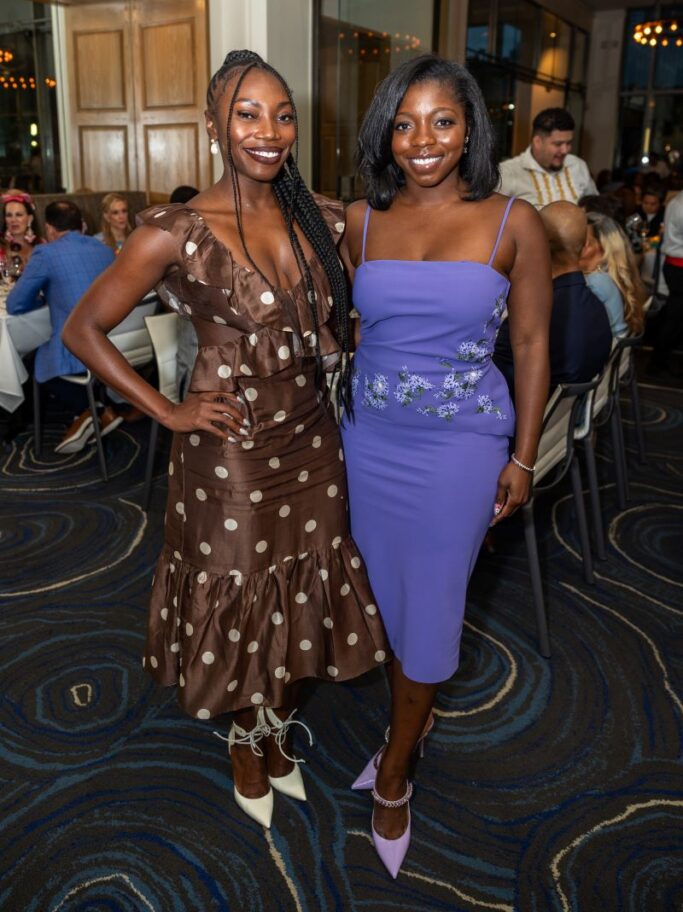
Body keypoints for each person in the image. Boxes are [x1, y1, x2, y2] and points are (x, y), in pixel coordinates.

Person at [63, 49, 387, 829]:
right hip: (230, 446)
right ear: (212, 124)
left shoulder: (322, 217)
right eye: (247, 114)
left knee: (301, 582)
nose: (268, 130)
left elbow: (352, 315)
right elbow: (83, 329)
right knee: (240, 590)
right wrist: (167, 411)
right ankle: (246, 738)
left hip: (313, 436)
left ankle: (276, 725)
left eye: (282, 115)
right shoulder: (174, 231)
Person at [339, 54, 552, 877]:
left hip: (460, 448)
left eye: (441, 121)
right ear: (384, 135)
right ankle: (415, 717)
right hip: (367, 442)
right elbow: (351, 327)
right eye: (404, 124)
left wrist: (523, 456)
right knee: (382, 601)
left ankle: (395, 772)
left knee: (429, 609)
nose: (422, 140)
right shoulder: (358, 221)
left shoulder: (512, 222)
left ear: (469, 131)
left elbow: (530, 345)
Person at [6, 200, 118, 452]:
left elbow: (15, 304)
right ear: (80, 224)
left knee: (33, 359)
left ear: (49, 228)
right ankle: (101, 410)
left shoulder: (46, 253)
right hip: (113, 340)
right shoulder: (104, 249)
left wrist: (39, 298)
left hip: (80, 344)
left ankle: (90, 410)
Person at [495, 201, 612, 394]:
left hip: (524, 408)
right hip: (566, 410)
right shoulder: (598, 309)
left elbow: (497, 376)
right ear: (585, 246)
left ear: (536, 243)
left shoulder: (533, 314)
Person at [499, 108, 596, 208]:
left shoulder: (578, 165)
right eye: (558, 144)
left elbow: (595, 207)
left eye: (569, 143)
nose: (565, 150)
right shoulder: (508, 173)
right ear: (537, 142)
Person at [580, 212, 645, 338]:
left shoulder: (596, 281)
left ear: (602, 247)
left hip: (606, 346)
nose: (574, 246)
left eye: (583, 242)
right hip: (615, 343)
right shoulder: (611, 273)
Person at [167, 185, 200, 397]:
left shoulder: (171, 236)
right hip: (192, 313)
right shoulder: (171, 239)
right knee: (191, 363)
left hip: (191, 313)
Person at [650, 189, 683, 375]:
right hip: (678, 267)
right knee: (674, 317)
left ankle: (661, 360)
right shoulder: (680, 205)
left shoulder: (677, 200)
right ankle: (658, 362)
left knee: (675, 316)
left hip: (675, 265)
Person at [1, 191, 43, 270]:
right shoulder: (1, 247)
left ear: (30, 219)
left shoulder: (42, 245)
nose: (13, 220)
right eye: (9, 215)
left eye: (19, 215)